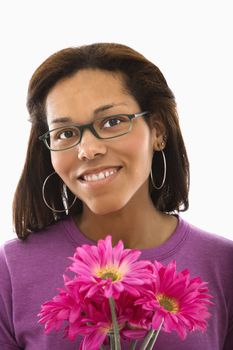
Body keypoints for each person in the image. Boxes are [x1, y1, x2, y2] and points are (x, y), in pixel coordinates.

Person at [0, 43, 232, 350]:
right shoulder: (11, 269)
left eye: (112, 122)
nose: (88, 149)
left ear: (158, 130)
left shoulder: (224, 264)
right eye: (65, 133)